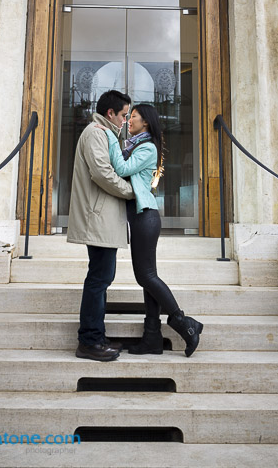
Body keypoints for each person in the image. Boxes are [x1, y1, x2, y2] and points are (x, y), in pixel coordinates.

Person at [97, 103, 203, 357]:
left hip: (145, 217)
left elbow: (121, 169)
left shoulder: (146, 147)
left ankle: (184, 324)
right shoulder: (135, 146)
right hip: (141, 218)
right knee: (148, 278)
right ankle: (152, 338)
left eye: (133, 117)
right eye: (129, 116)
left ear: (146, 122)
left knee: (146, 277)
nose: (129, 121)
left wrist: (111, 137)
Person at [67, 89, 134, 362]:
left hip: (102, 218)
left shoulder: (106, 133)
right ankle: (89, 341)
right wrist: (132, 191)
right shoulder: (96, 133)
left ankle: (97, 336)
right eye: (124, 116)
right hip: (98, 218)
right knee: (98, 280)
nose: (126, 121)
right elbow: (102, 173)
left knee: (101, 279)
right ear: (110, 113)